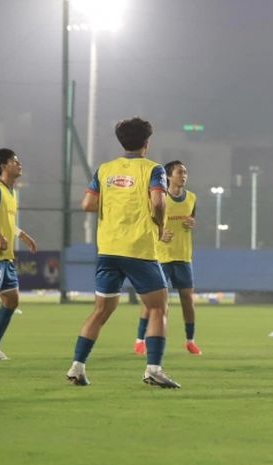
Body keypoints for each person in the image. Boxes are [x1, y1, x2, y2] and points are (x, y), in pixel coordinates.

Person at [66, 117, 180, 388]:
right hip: (139, 249)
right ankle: (153, 368)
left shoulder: (105, 169)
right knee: (158, 307)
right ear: (146, 143)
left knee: (101, 310)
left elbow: (87, 204)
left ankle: (77, 366)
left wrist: (117, 203)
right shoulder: (153, 170)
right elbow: (158, 203)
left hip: (108, 249)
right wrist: (159, 224)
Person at [134, 160, 201, 356]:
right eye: (180, 172)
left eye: (185, 172)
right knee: (153, 302)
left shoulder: (192, 198)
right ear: (169, 176)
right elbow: (147, 223)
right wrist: (159, 234)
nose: (184, 175)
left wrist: (191, 223)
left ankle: (190, 341)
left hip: (183, 256)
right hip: (160, 257)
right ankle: (140, 340)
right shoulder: (159, 198)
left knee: (187, 299)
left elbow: (191, 218)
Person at [0, 149, 37, 361]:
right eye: (15, 161)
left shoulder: (10, 192)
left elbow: (8, 222)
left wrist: (23, 235)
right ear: (3, 166)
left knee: (11, 300)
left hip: (6, 258)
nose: (19, 164)